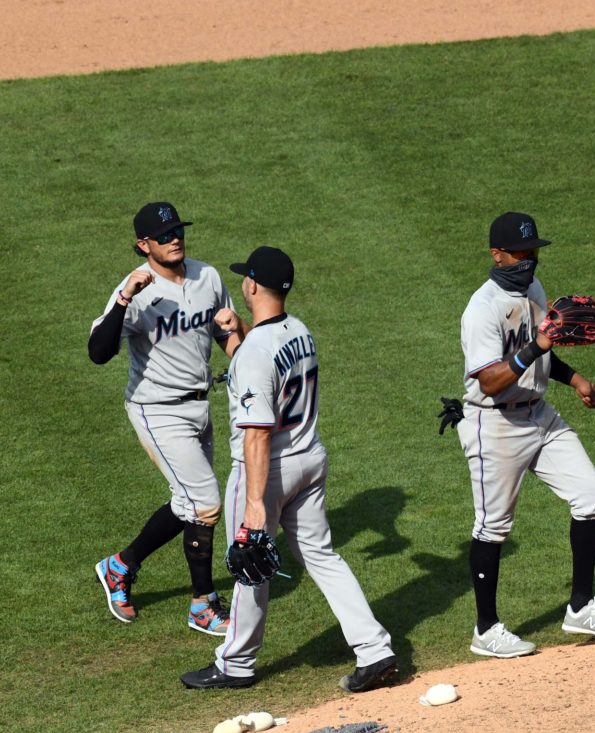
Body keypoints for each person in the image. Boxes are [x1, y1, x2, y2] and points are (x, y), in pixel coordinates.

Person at [181, 246, 396, 691]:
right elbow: (262, 363)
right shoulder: (300, 330)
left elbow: (257, 430)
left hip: (267, 469)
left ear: (252, 285)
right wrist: (238, 330)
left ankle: (235, 663)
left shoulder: (256, 352)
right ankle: (375, 649)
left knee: (248, 564)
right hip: (309, 458)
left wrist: (255, 506)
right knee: (322, 556)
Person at [452, 212, 595, 659]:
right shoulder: (482, 310)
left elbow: (541, 357)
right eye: (521, 254)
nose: (529, 262)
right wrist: (538, 346)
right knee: (493, 528)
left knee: (592, 495)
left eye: (534, 253)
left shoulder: (533, 290)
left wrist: (578, 381)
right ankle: (486, 629)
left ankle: (581, 606)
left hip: (540, 415)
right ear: (497, 255)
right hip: (494, 424)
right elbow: (491, 380)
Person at [88, 202, 242, 636]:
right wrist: (124, 298)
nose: (175, 238)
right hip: (156, 409)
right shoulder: (138, 291)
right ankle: (203, 605)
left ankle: (119, 566)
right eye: (164, 234)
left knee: (188, 504)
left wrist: (241, 349)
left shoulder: (206, 276)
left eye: (178, 230)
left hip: (199, 405)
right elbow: (99, 353)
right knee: (205, 503)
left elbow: (224, 331)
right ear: (143, 245)